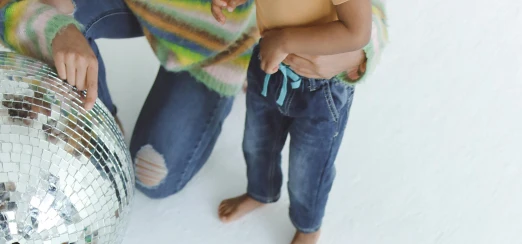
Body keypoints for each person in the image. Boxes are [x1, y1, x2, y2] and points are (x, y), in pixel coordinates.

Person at [0, 0, 387, 217]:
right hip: (151, 10)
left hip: (228, 46)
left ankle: (303, 219)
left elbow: (363, 19)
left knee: (150, 177)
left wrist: (353, 54)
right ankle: (97, 117)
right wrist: (56, 29)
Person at [212, 0, 377, 244]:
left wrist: (287, 40)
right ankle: (260, 191)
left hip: (320, 84)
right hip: (268, 61)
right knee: (257, 141)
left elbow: (358, 32)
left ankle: (308, 226)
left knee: (308, 167)